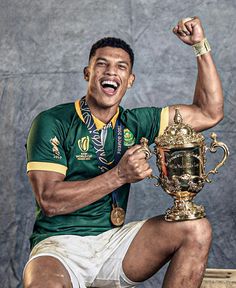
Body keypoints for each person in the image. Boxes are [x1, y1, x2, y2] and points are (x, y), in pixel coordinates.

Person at [23, 16, 223, 288]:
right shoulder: (52, 122)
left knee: (196, 228)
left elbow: (209, 112)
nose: (110, 72)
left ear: (129, 80)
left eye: (121, 67)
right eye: (101, 64)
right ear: (87, 73)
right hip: (59, 245)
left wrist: (200, 45)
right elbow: (50, 201)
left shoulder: (136, 122)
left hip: (114, 244)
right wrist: (119, 175)